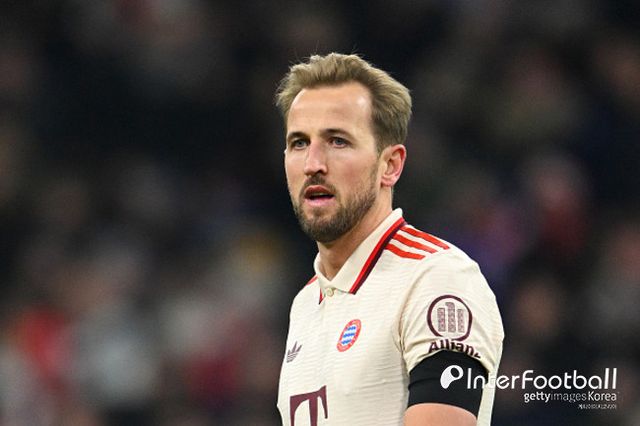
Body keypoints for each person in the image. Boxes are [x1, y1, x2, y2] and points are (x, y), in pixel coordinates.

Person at [275, 53, 504, 426]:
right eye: (299, 142)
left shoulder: (436, 278)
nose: (313, 163)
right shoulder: (304, 305)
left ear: (390, 165)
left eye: (337, 141)